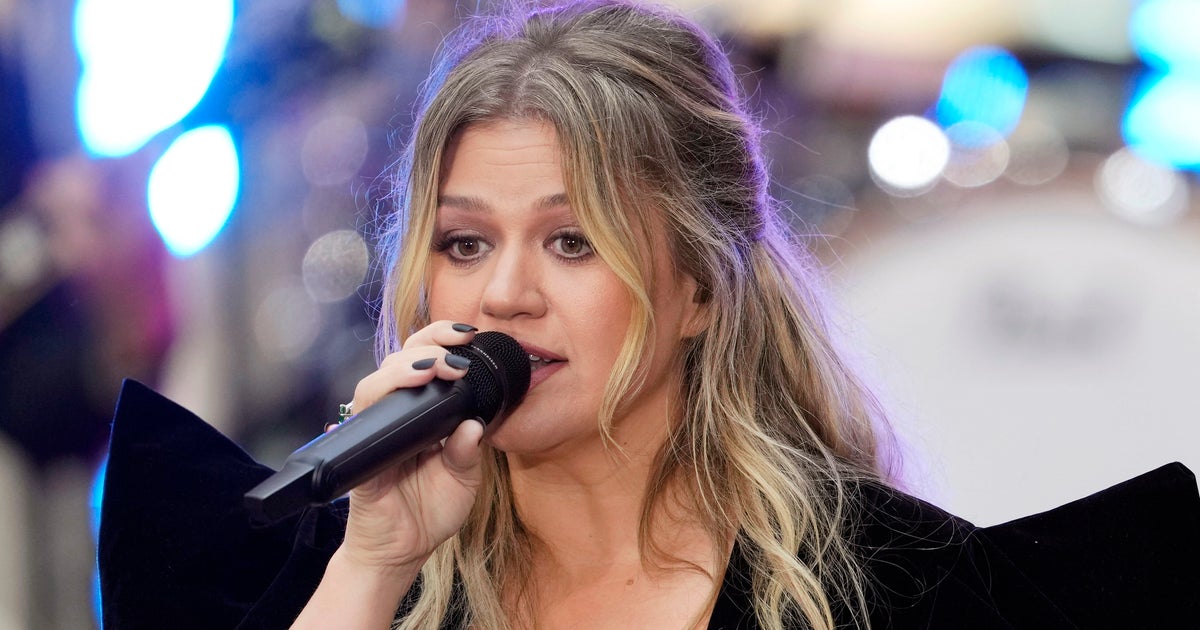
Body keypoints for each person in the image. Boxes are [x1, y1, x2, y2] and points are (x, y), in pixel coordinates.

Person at [97, 1, 1198, 629]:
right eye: (465, 243)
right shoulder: (334, 572)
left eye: (572, 242)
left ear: (700, 290)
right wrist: (372, 566)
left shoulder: (892, 590)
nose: (504, 292)